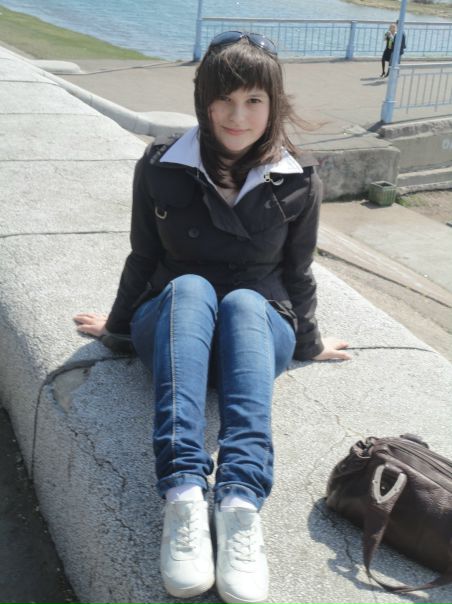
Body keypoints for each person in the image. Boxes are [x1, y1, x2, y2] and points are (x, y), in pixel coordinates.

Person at [74, 30, 351, 604]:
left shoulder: (298, 179)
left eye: (253, 100)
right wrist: (118, 328)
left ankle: (240, 505)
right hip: (176, 326)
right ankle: (182, 497)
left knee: (247, 300)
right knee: (190, 286)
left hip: (256, 333)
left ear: (273, 104)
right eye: (223, 99)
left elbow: (298, 273)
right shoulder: (162, 164)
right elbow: (143, 256)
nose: (236, 115)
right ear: (203, 99)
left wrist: (310, 342)